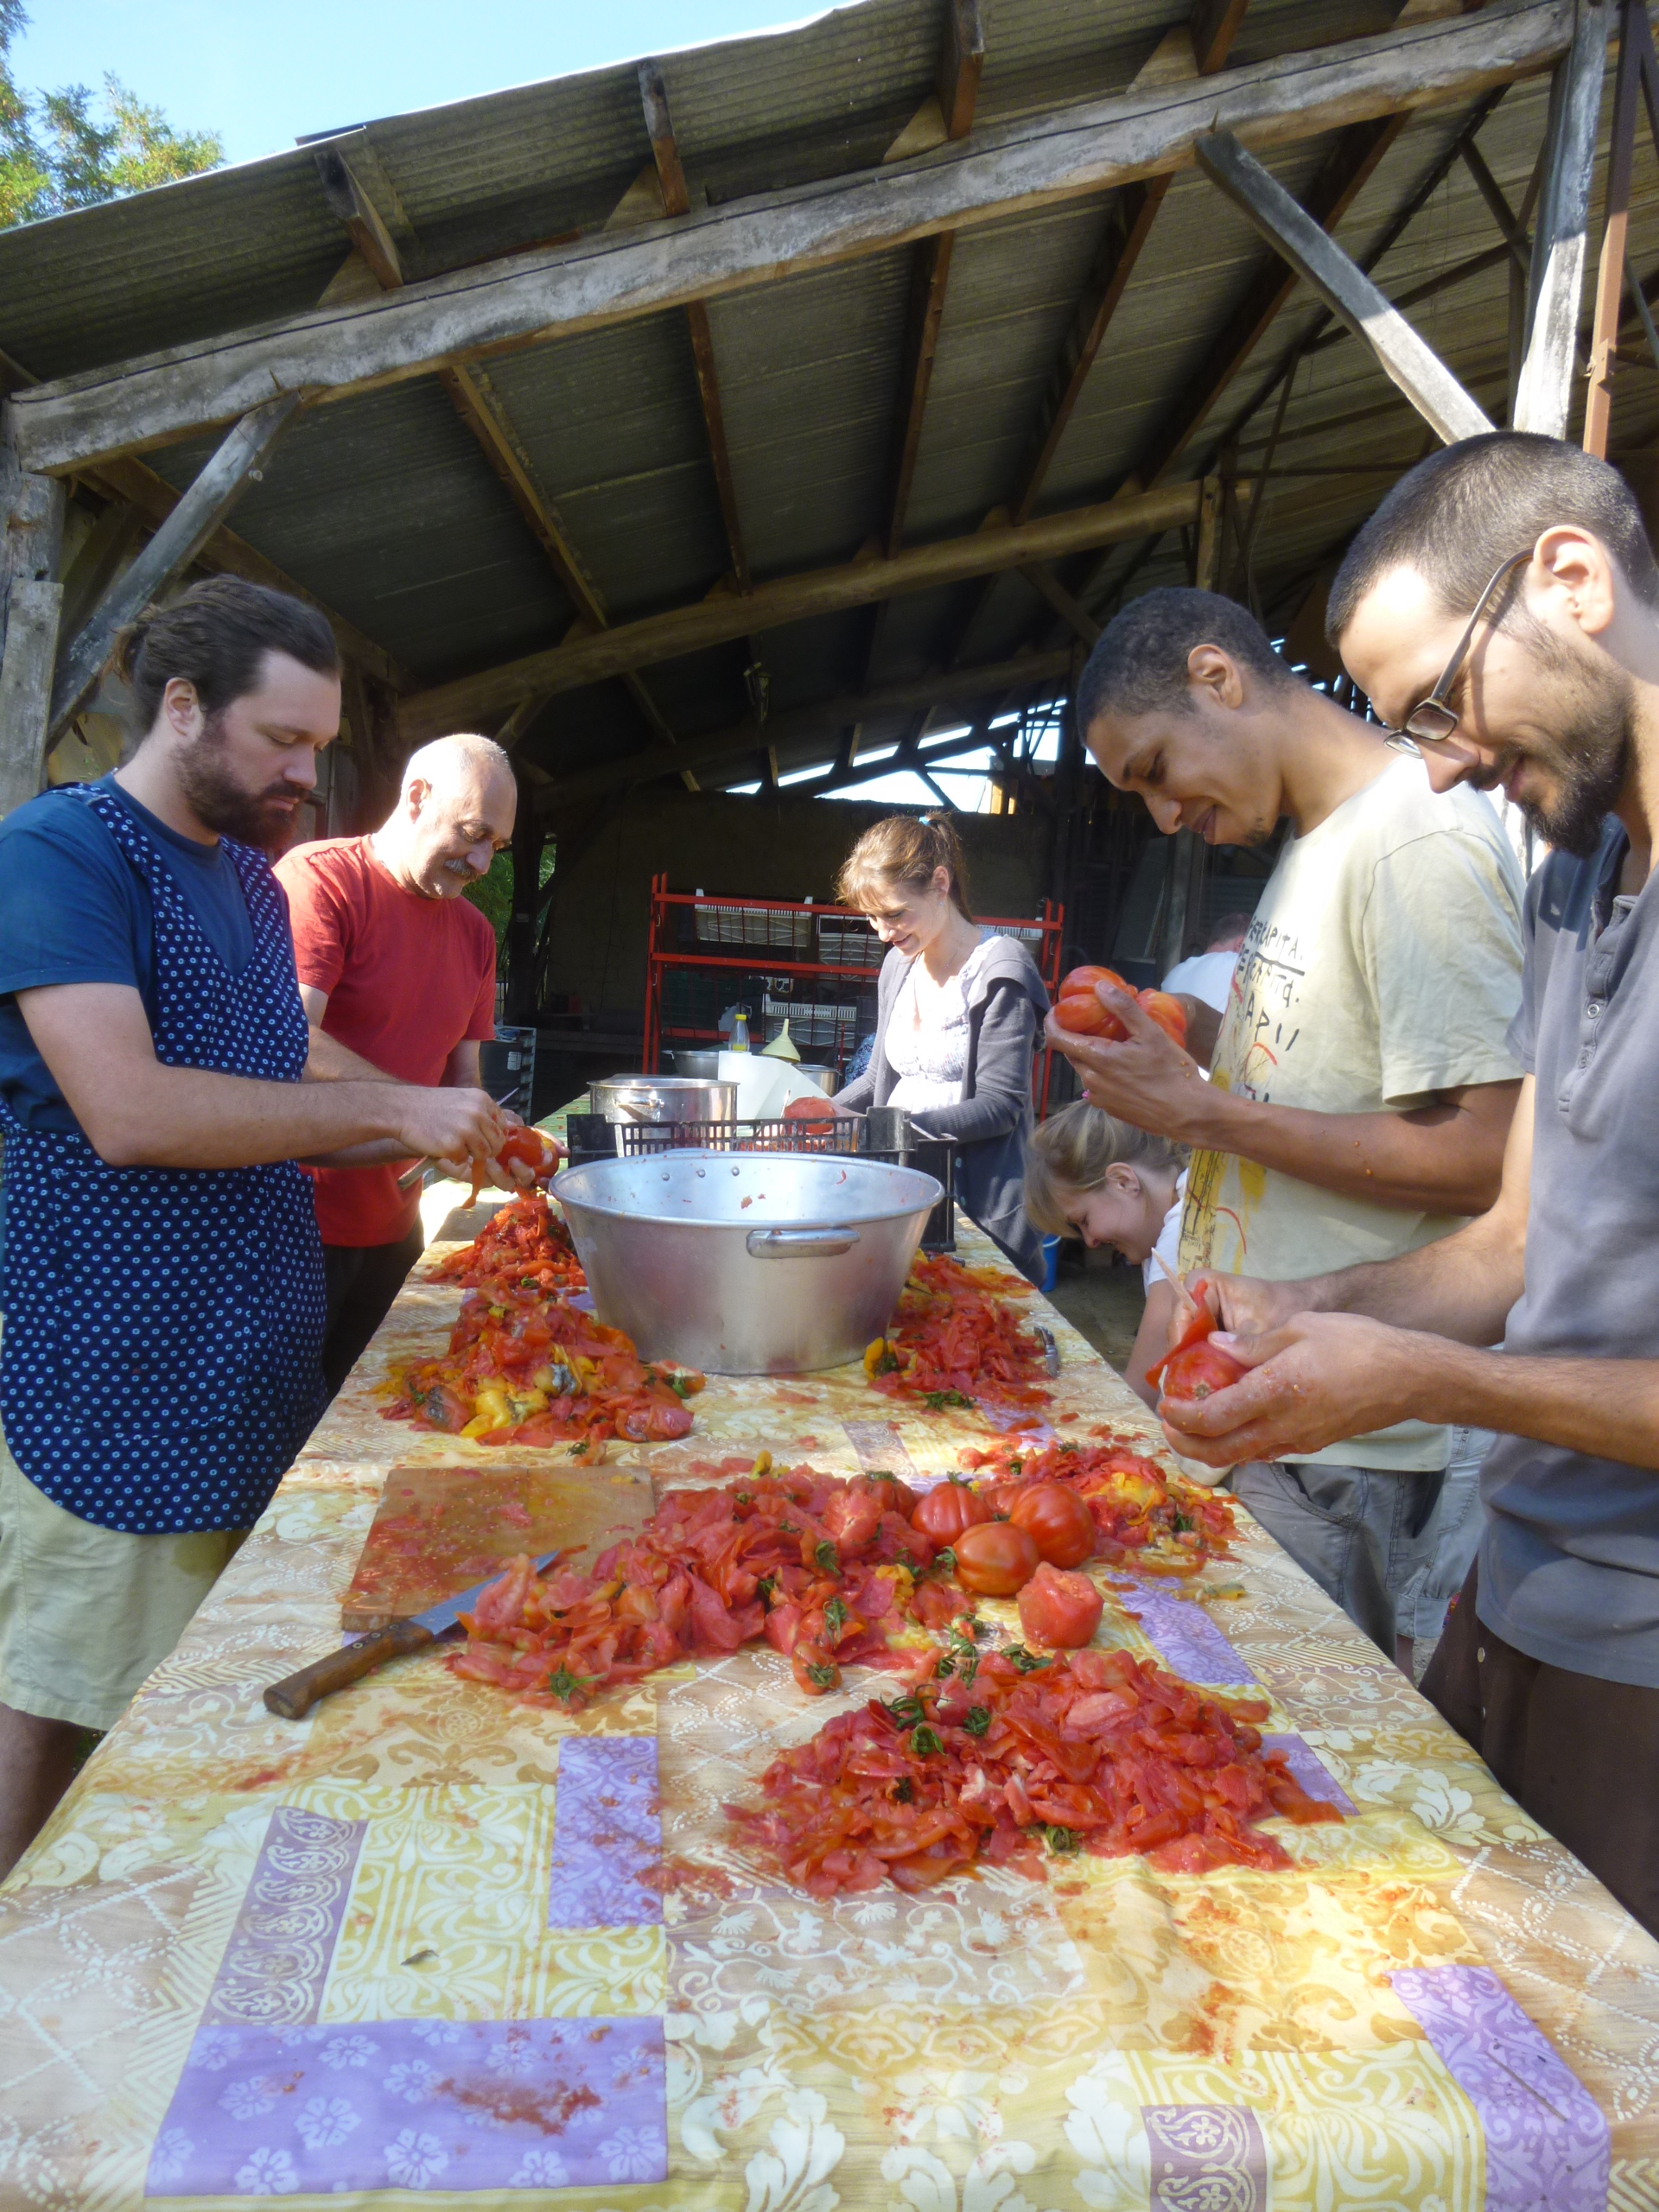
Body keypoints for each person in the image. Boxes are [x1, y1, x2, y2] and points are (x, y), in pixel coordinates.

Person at [1158, 430, 1659, 1937]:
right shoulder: (1580, 872)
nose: (1437, 761)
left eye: (1441, 701)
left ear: (1568, 580)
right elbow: (1513, 1236)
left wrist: (1417, 1377)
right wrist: (1302, 1309)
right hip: (1512, 1592)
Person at [0, 578, 508, 1878]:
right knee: (57, 1702)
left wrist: (426, 1130)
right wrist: (399, 1102)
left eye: (320, 745)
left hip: (247, 1368)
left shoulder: (240, 876)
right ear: (182, 708)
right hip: (115, 1378)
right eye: (283, 739)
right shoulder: (61, 851)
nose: (305, 771)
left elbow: (275, 1107)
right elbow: (128, 1111)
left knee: (195, 1716)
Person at [1050, 587, 1526, 1665]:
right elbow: (1330, 1074)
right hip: (1278, 1403)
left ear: (1219, 678)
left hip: (1363, 1438)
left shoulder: (1416, 842)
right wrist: (1189, 1033)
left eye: (1157, 771)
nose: (1166, 818)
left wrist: (1204, 1112)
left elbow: (1488, 1155)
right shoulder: (1320, 844)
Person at [276, 733, 533, 1396]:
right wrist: (419, 1110)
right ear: (417, 797)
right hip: (291, 1233)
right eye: (474, 832)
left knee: (371, 1426)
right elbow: (286, 1040)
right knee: (279, 1454)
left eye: (495, 846)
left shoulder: (475, 933)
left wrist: (490, 1139)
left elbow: (461, 1082)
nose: (481, 860)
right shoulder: (320, 880)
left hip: (397, 1231)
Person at [833, 815, 1050, 1279]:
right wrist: (818, 1118)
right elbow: (877, 1080)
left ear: (939, 884)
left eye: (894, 914)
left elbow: (1000, 1106)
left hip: (978, 1207)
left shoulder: (1001, 970)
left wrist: (892, 1131)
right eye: (871, 917)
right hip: (901, 1191)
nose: (883, 931)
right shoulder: (898, 965)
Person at [1023, 1101, 1186, 1407]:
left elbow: (1141, 1392)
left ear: (1123, 1182)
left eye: (1083, 1221)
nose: (1090, 1241)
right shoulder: (1166, 1219)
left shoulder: (1179, 1232)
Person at [1161, 910, 1252, 1063]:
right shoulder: (1239, 964)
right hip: (1211, 1075)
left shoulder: (1176, 972)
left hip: (1170, 1066)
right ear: (1241, 945)